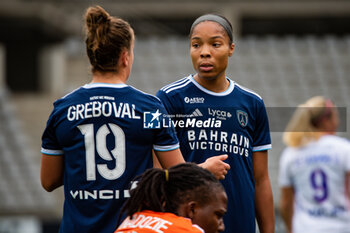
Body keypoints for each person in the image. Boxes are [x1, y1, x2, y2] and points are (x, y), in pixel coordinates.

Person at [40, 6, 186, 233]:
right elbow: (178, 174)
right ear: (125, 57)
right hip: (132, 229)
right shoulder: (150, 108)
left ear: (91, 55)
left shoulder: (62, 109)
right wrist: (206, 168)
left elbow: (48, 181)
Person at [156, 14, 275, 233]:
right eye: (196, 45)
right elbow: (156, 173)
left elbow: (261, 179)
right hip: (187, 227)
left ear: (231, 48)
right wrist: (201, 170)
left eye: (215, 44)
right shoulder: (169, 98)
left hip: (240, 224)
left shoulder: (252, 103)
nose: (204, 52)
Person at [278, 96, 350, 233]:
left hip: (306, 228)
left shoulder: (291, 154)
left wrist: (291, 229)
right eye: (336, 116)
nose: (338, 121)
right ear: (325, 120)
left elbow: (286, 203)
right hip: (342, 227)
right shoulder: (344, 149)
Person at [115, 163, 227, 233]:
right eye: (218, 215)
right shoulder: (185, 230)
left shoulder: (132, 220)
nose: (222, 226)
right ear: (192, 209)